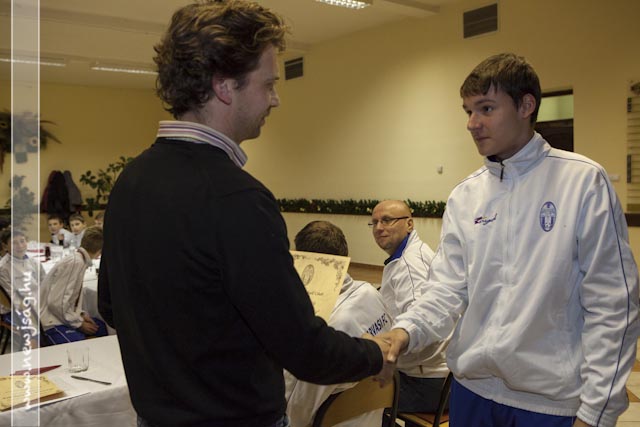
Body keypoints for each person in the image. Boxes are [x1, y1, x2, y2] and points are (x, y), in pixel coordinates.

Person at [97, 2, 388, 427]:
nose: (275, 99)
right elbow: (305, 350)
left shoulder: (131, 180)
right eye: (268, 84)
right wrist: (376, 353)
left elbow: (110, 305)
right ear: (224, 86)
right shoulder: (237, 198)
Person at [378, 53, 640, 427]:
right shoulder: (466, 195)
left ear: (526, 106)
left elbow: (614, 306)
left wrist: (597, 412)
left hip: (549, 404)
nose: (472, 123)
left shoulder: (583, 182)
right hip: (472, 393)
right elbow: (445, 292)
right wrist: (405, 331)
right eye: (468, 111)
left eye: (486, 108)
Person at [284, 221, 393, 427]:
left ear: (303, 261)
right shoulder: (371, 292)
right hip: (374, 418)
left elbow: (296, 411)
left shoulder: (324, 327)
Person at [370, 200, 450, 417]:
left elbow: (420, 328)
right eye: (374, 222)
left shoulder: (409, 265)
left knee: (350, 398)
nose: (379, 228)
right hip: (434, 377)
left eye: (387, 220)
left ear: (409, 224)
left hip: (425, 383)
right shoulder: (414, 252)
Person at [41, 226, 107, 344]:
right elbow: (56, 303)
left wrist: (80, 314)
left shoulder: (78, 259)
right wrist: (79, 323)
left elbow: (68, 299)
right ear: (100, 251)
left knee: (103, 328)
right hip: (51, 321)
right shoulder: (75, 263)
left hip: (61, 315)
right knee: (79, 346)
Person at [0, 228, 47, 348]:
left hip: (36, 304)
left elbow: (44, 284)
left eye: (22, 241)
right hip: (14, 309)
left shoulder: (33, 262)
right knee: (34, 332)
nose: (20, 246)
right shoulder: (3, 268)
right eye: (14, 243)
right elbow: (11, 299)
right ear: (5, 246)